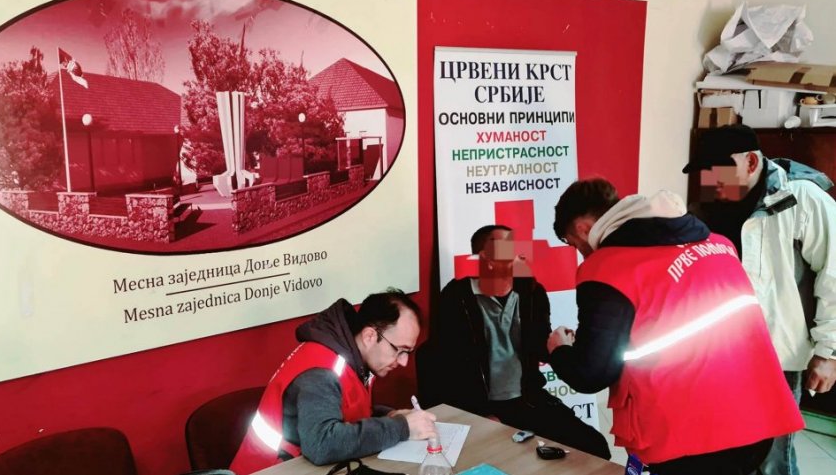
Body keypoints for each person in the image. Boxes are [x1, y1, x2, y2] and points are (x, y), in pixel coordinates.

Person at [547, 178, 803, 475]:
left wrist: (559, 349)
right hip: (756, 423)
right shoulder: (720, 245)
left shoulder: (605, 268)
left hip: (688, 441)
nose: (580, 251)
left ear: (582, 229)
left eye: (572, 243)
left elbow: (590, 373)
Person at [682, 124, 836, 475]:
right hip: (721, 352)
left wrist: (829, 353)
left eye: (717, 170)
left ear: (751, 162)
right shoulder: (708, 205)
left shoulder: (801, 198)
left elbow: (834, 276)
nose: (709, 180)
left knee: (772, 458)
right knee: (729, 453)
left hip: (777, 356)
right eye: (704, 172)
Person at [431, 225, 611, 459]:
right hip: (479, 405)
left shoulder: (532, 292)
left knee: (595, 446)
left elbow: (538, 346)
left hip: (528, 399)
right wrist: (478, 414)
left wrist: (560, 344)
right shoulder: (456, 297)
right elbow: (446, 363)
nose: (520, 254)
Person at [230, 290, 438, 474]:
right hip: (270, 469)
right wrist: (400, 428)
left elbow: (346, 410)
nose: (403, 362)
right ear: (369, 336)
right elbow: (322, 445)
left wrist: (389, 416)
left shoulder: (353, 358)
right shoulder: (320, 372)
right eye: (399, 350)